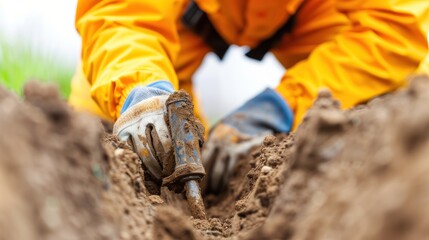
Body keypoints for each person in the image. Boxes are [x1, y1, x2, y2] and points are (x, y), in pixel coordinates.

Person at [69, 0, 429, 193]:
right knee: (101, 114)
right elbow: (121, 17)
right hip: (181, 17)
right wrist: (139, 90)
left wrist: (283, 106)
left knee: (400, 88)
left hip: (314, 14)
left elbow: (399, 27)